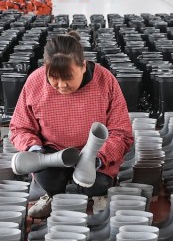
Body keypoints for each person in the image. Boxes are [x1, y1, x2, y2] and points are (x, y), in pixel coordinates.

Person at [9, 31, 134, 218]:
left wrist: (98, 158)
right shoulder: (35, 82)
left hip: (94, 153)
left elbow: (121, 132)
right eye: (54, 78)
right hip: (53, 153)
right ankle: (52, 195)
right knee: (47, 178)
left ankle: (99, 195)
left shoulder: (105, 80)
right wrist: (34, 149)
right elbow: (20, 127)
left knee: (94, 183)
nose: (61, 85)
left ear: (83, 66)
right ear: (45, 69)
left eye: (68, 77)